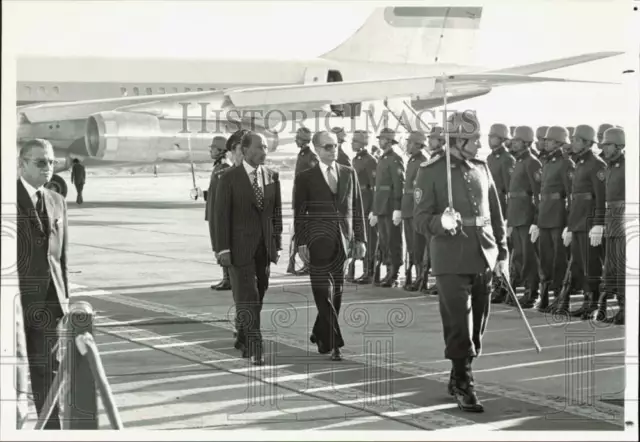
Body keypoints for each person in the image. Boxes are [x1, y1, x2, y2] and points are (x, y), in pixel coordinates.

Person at [413, 111, 508, 413]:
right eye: (474, 139)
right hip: (450, 257)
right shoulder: (431, 171)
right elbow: (419, 219)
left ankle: (457, 373)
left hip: (483, 254)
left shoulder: (482, 168)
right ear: (459, 140)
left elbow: (495, 214)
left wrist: (502, 254)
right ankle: (465, 384)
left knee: (478, 324)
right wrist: (440, 222)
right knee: (459, 323)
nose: (479, 145)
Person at [293, 131, 366, 361]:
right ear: (316, 149)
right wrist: (301, 241)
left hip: (342, 241)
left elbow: (357, 208)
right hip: (316, 241)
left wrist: (361, 239)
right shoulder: (306, 177)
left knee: (337, 294)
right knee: (321, 290)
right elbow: (300, 213)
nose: (332, 150)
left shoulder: (348, 173)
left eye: (334, 145)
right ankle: (335, 341)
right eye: (327, 146)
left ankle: (319, 333)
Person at [214, 131, 283, 365]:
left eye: (265, 147)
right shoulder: (229, 178)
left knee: (259, 294)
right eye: (259, 147)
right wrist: (222, 249)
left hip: (264, 248)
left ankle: (244, 334)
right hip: (238, 249)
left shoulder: (272, 176)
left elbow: (276, 214)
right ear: (244, 150)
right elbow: (220, 217)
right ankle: (255, 346)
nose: (264, 151)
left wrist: (278, 243)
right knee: (248, 297)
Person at [17, 138, 70, 429]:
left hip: (49, 302)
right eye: (40, 162)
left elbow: (61, 257)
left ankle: (52, 431)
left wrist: (66, 299)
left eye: (51, 162)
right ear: (21, 163)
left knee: (49, 371)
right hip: (14, 302)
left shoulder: (57, 200)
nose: (48, 168)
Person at [562, 125, 606, 320]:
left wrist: (598, 223)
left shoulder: (597, 164)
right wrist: (570, 226)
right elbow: (575, 198)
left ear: (587, 142)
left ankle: (593, 304)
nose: (573, 142)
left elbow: (600, 197)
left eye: (576, 139)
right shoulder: (579, 163)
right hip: (578, 222)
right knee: (580, 264)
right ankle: (586, 301)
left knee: (591, 265)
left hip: (589, 223)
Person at [536, 126, 575, 311]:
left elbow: (571, 194)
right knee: (545, 257)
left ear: (559, 142)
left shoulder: (566, 163)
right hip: (545, 215)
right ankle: (544, 295)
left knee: (558, 259)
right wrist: (537, 219)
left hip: (558, 216)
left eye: (549, 140)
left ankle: (559, 297)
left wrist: (569, 222)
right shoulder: (547, 162)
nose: (546, 142)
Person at [504, 126, 543, 309]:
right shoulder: (517, 161)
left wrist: (536, 220)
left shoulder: (531, 162)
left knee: (529, 257)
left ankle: (531, 292)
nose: (513, 142)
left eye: (517, 140)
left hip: (526, 215)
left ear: (527, 142)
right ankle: (522, 291)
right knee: (519, 256)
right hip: (516, 215)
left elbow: (538, 194)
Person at [596, 127, 625, 324]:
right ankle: (604, 306)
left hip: (623, 219)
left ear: (619, 145)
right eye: (604, 145)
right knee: (610, 267)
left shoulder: (627, 166)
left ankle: (624, 309)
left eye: (608, 145)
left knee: (622, 266)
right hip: (611, 218)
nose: (605, 148)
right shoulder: (609, 166)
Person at [370, 128, 405, 287]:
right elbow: (378, 187)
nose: (379, 141)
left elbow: (399, 185)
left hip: (391, 206)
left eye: (382, 139)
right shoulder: (383, 158)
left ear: (389, 141)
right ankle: (388, 270)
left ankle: (394, 274)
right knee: (384, 241)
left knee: (393, 241)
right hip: (382, 206)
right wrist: (375, 209)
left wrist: (398, 207)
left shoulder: (395, 159)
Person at [486, 124, 516, 303]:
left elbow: (510, 191)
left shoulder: (507, 160)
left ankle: (504, 287)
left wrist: (506, 216)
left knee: (503, 251)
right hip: (488, 210)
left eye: (494, 137)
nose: (490, 139)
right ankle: (495, 285)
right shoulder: (490, 158)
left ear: (502, 139)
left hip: (501, 210)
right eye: (490, 136)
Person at [400, 130, 428, 291]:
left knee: (418, 246)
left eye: (410, 142)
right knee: (411, 245)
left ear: (418, 145)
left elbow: (420, 189)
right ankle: (414, 276)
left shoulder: (422, 162)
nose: (407, 145)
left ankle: (421, 277)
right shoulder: (412, 161)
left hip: (415, 208)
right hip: (408, 207)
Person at [288, 127, 317, 275]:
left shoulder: (310, 156)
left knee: (306, 233)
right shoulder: (303, 154)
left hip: (306, 202)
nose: (295, 140)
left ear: (303, 140)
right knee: (300, 233)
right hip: (300, 200)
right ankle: (306, 262)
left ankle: (309, 263)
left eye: (297, 138)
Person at [351, 130, 378, 284]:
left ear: (362, 143)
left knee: (371, 239)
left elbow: (375, 186)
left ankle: (370, 272)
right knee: (360, 237)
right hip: (358, 203)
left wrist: (374, 209)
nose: (352, 143)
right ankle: (361, 270)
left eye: (355, 141)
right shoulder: (357, 159)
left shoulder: (370, 161)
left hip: (367, 204)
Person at [206, 135, 232, 291]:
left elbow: (223, 193)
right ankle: (225, 277)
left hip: (218, 212)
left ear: (221, 150)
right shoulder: (217, 167)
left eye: (213, 148)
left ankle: (228, 278)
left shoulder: (223, 168)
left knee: (220, 244)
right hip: (213, 210)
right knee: (216, 244)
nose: (211, 151)